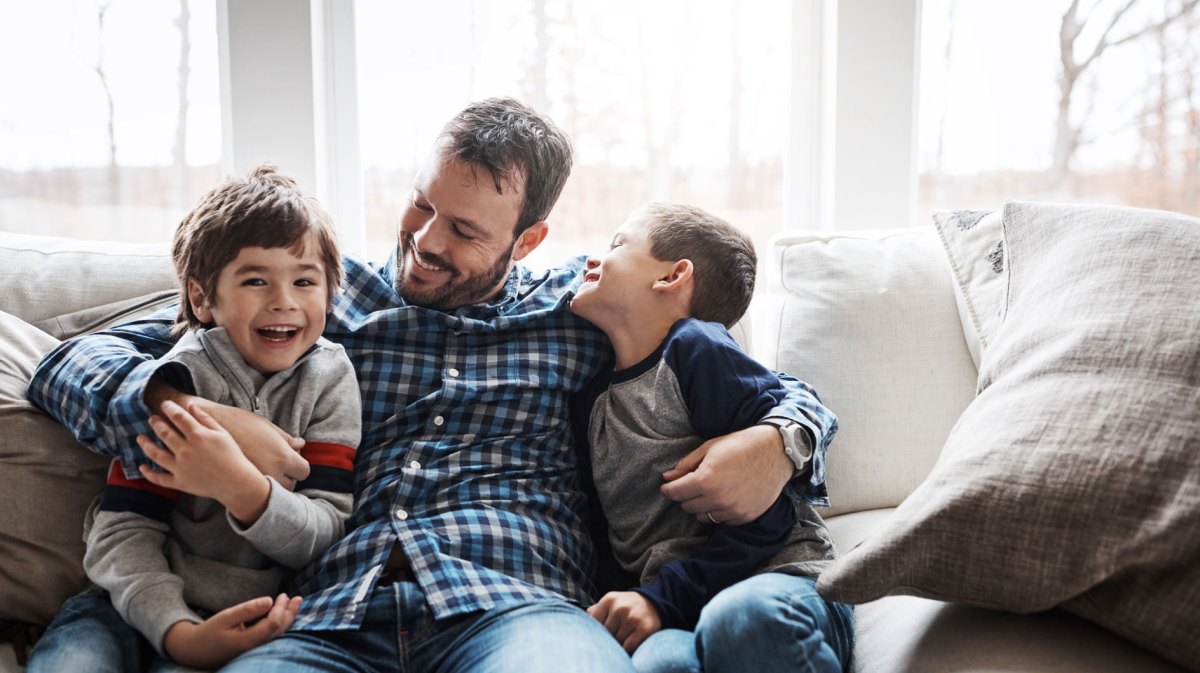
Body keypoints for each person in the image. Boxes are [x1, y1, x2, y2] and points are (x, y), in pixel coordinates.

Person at [29, 98, 835, 673]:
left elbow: (772, 385)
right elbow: (70, 360)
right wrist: (188, 409)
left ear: (529, 240)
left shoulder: (580, 312)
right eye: (420, 205)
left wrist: (780, 441)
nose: (423, 240)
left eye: (464, 230)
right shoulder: (317, 298)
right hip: (330, 614)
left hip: (516, 606)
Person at [26, 165, 361, 672]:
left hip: (258, 618)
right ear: (204, 297)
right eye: (255, 280)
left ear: (332, 291)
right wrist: (176, 631)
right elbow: (124, 530)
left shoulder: (331, 380)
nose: (284, 301)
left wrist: (242, 488)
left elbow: (324, 532)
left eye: (304, 280)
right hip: (125, 605)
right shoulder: (178, 376)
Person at [569, 202, 853, 672]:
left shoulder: (696, 349)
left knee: (740, 618)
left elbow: (770, 515)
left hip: (779, 579)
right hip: (675, 608)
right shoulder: (590, 398)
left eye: (617, 245)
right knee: (661, 665)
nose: (591, 261)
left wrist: (662, 598)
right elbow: (603, 532)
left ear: (672, 276)